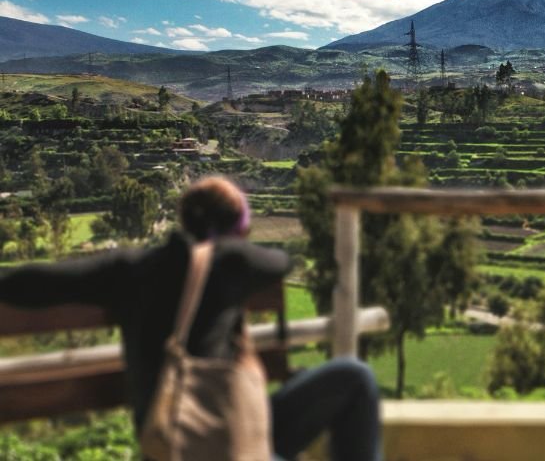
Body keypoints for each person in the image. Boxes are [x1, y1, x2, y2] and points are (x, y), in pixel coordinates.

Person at [0, 176, 381, 461]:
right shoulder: (234, 261)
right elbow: (282, 263)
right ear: (237, 227)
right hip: (223, 438)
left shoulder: (128, 269)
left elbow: (32, 284)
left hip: (170, 438)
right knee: (354, 378)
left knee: (351, 377)